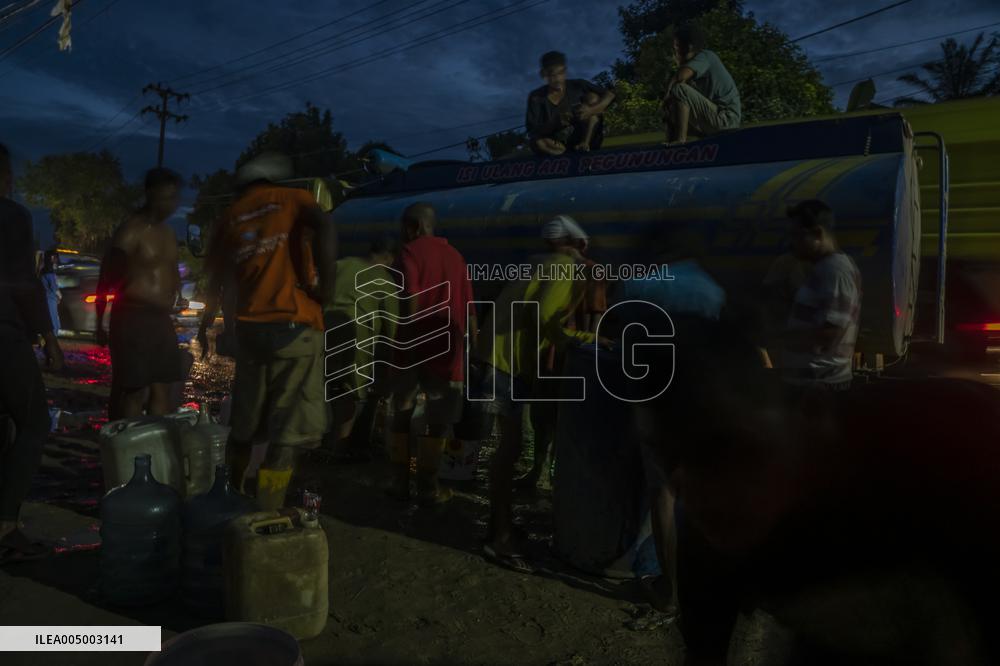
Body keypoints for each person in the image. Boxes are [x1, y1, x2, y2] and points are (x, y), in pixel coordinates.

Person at [198, 152, 337, 510]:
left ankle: (230, 498)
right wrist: (326, 287)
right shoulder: (292, 199)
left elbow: (218, 280)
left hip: (251, 333)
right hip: (294, 328)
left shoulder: (231, 216)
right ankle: (266, 510)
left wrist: (208, 325)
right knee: (287, 431)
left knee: (245, 426)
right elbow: (324, 225)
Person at [477, 215, 609, 572]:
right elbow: (544, 318)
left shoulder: (539, 263)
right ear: (578, 245)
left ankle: (499, 524)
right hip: (503, 363)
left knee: (509, 447)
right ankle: (499, 538)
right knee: (509, 450)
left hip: (498, 357)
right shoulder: (566, 269)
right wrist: (587, 339)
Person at [386, 203, 475, 506]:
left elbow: (410, 296)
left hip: (412, 347)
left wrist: (407, 341)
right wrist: (472, 352)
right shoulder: (457, 257)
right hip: (447, 351)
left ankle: (399, 483)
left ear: (412, 226)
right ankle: (428, 488)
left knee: (401, 412)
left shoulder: (409, 253)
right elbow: (470, 311)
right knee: (437, 422)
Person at [0, 141, 63, 564]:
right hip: (4, 333)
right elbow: (24, 283)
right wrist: (49, 337)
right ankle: (6, 526)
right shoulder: (11, 216)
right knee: (35, 422)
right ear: (5, 176)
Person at [97, 168, 187, 420]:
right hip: (132, 318)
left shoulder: (168, 233)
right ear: (150, 194)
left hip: (160, 319)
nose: (170, 204)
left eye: (173, 198)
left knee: (162, 389)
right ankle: (125, 440)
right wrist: (100, 322)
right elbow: (108, 275)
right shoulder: (132, 230)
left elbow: (171, 270)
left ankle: (155, 441)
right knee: (134, 390)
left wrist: (176, 293)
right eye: (165, 198)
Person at [323, 235, 399, 462]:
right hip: (355, 335)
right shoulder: (385, 280)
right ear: (389, 258)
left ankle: (316, 446)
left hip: (322, 330)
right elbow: (392, 331)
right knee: (349, 395)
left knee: (322, 389)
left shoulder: (341, 265)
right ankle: (337, 451)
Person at [773, 200, 862, 390]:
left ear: (818, 233)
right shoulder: (824, 269)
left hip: (818, 388)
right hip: (813, 386)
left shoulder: (834, 272)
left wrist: (781, 338)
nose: (791, 243)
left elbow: (829, 336)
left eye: (797, 235)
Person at [662, 24, 741, 145]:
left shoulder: (705, 56)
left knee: (679, 89)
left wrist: (666, 96)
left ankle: (680, 141)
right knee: (671, 105)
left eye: (677, 47)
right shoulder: (693, 73)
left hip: (726, 120)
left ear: (689, 47)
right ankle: (670, 146)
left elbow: (680, 77)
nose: (675, 52)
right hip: (713, 119)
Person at [526, 51, 615, 156]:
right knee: (537, 142)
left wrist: (591, 110)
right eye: (552, 75)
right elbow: (532, 132)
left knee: (592, 97)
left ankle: (585, 145)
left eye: (561, 73)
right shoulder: (535, 97)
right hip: (559, 144)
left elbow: (610, 95)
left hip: (586, 136)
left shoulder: (578, 85)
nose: (558, 79)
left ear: (565, 71)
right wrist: (554, 123)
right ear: (543, 74)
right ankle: (565, 157)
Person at [39, 250, 61, 335]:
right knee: (53, 322)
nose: (56, 261)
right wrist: (59, 296)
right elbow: (54, 288)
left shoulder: (42, 272)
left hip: (46, 299)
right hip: (50, 300)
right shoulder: (50, 274)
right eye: (55, 258)